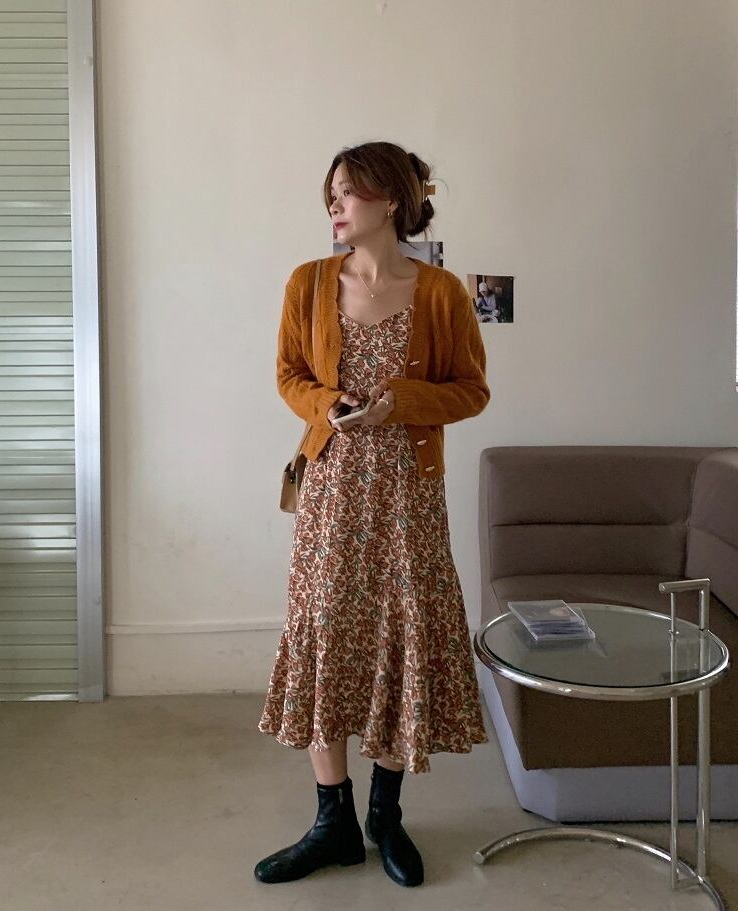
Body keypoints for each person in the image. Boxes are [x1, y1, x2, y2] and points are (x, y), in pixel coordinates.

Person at [256, 141, 491, 888]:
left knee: (401, 634)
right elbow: (289, 375)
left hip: (408, 497)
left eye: (348, 193)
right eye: (330, 194)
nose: (334, 206)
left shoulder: (442, 293)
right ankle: (333, 822)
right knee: (326, 633)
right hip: (331, 492)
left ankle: (385, 816)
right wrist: (330, 404)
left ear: (390, 199)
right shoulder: (308, 283)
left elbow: (471, 390)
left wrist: (401, 404)